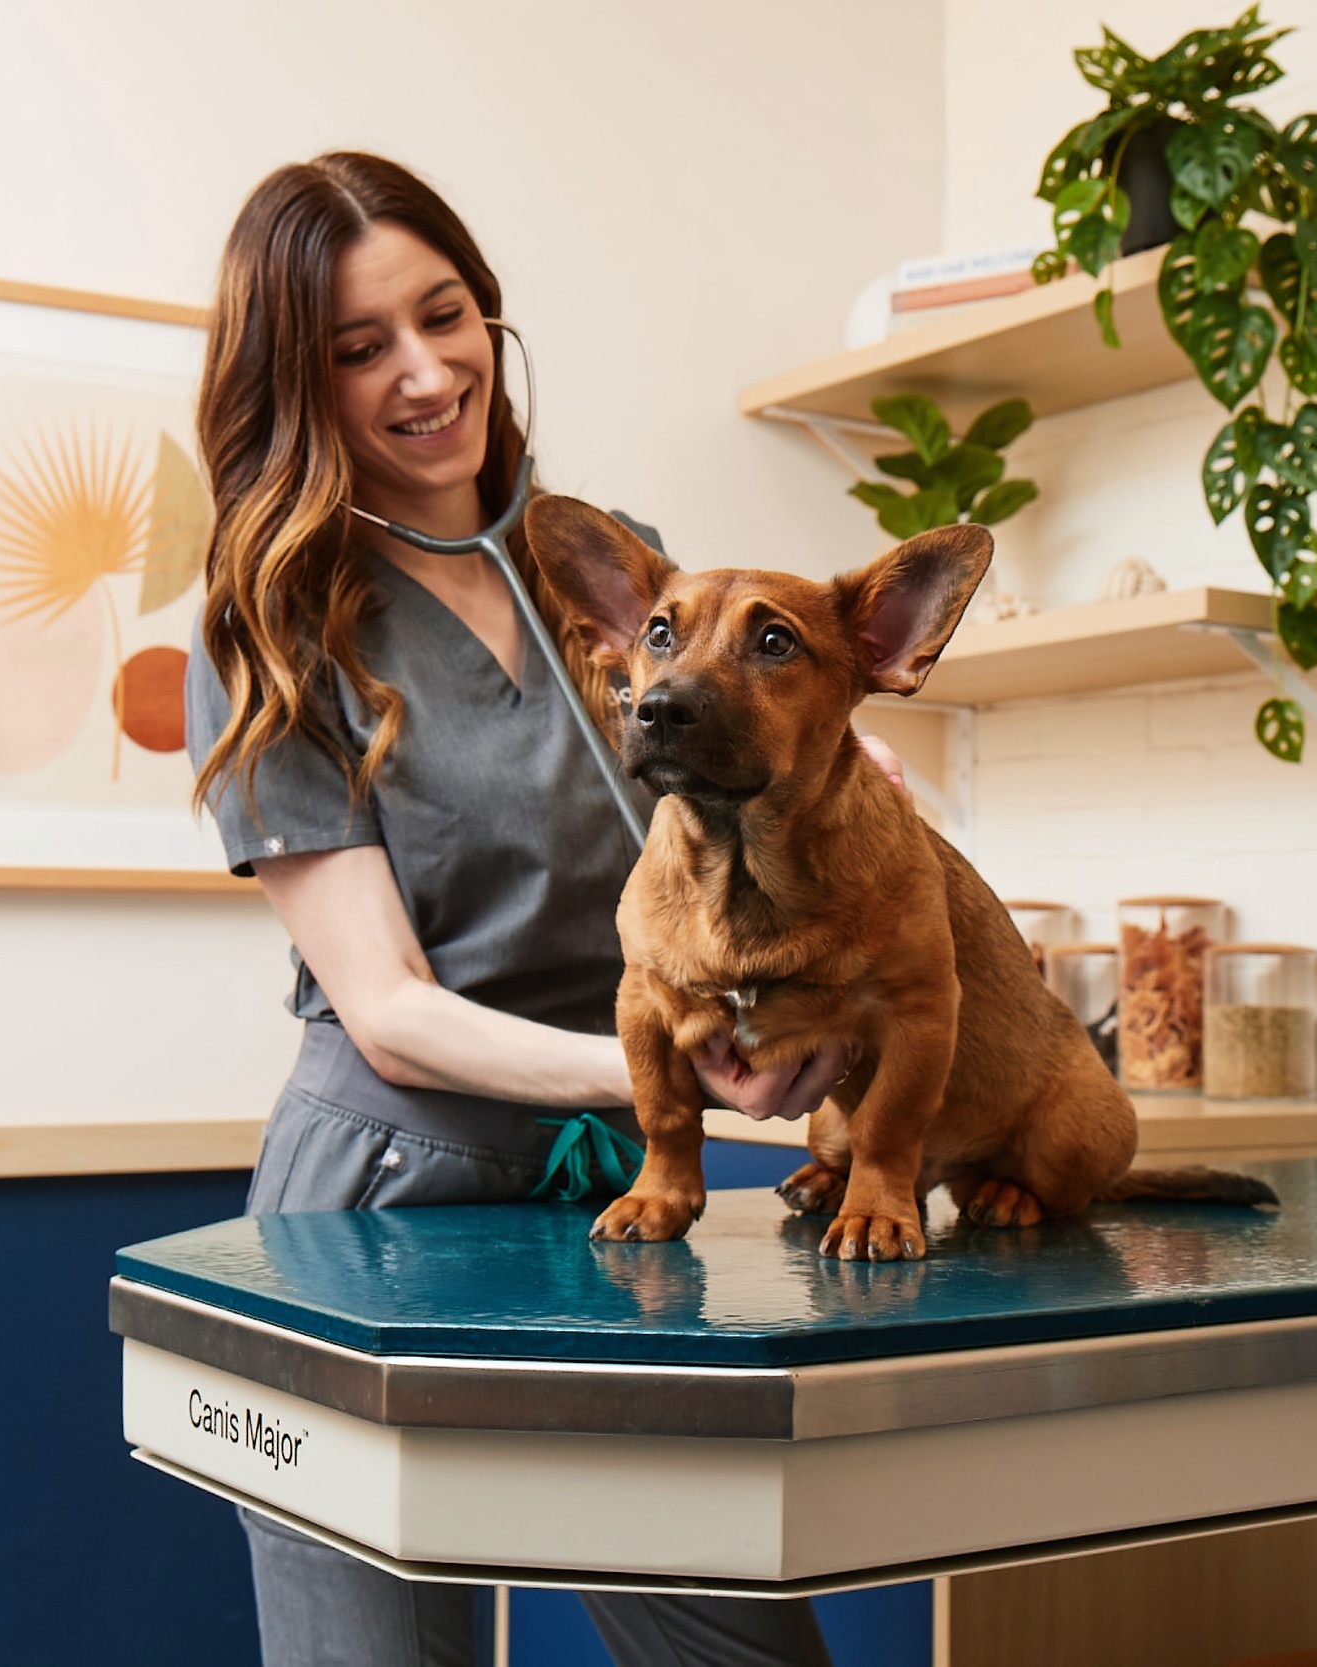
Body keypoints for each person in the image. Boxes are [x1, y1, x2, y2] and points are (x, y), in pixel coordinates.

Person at [185, 152, 859, 1667]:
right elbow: (391, 1010)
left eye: (447, 316)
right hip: (373, 1208)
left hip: (620, 1195)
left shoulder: (604, 563)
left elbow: (736, 834)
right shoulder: (276, 629)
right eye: (360, 350)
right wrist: (681, 1076)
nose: (426, 375)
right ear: (296, 385)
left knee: (738, 1644)